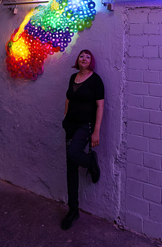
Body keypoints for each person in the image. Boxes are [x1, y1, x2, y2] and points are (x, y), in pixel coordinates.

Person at [60, 49, 104, 231]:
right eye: (81, 56)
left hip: (84, 126)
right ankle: (73, 209)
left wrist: (96, 131)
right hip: (70, 125)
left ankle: (91, 162)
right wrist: (65, 117)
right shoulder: (73, 78)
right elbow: (68, 99)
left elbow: (100, 105)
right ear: (77, 60)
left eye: (87, 57)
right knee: (70, 166)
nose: (84, 58)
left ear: (91, 61)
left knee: (73, 153)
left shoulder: (96, 80)